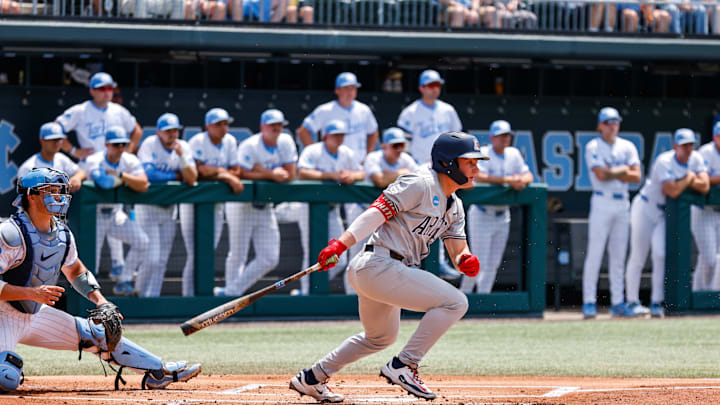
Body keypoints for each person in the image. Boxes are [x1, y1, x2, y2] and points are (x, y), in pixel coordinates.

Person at [289, 132, 483, 402]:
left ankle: (312, 377)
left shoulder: (456, 206)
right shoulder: (420, 182)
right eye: (469, 162)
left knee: (379, 337)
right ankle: (405, 365)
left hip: (383, 271)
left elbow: (457, 249)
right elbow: (376, 213)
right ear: (449, 163)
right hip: (378, 264)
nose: (476, 168)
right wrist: (341, 245)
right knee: (455, 303)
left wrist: (465, 260)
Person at [0, 167, 201, 393]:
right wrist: (31, 294)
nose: (58, 196)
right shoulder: (10, 233)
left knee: (97, 334)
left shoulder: (62, 234)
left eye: (59, 190)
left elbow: (75, 269)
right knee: (5, 377)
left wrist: (100, 301)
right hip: (3, 316)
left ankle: (158, 371)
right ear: (31, 196)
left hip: (35, 315)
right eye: (51, 190)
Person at [55, 72, 143, 286]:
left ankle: (118, 268)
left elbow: (136, 131)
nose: (107, 93)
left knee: (124, 222)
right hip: (93, 170)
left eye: (109, 88)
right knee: (89, 249)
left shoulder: (119, 111)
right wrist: (74, 150)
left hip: (114, 173)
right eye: (102, 89)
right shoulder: (82, 110)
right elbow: (57, 128)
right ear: (92, 90)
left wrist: (127, 153)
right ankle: (87, 291)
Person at [625, 129, 709, 318]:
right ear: (675, 146)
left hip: (664, 215)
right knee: (638, 256)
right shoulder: (664, 160)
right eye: (684, 145)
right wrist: (689, 178)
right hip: (646, 208)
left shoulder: (695, 158)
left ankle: (656, 301)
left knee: (661, 254)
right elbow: (671, 191)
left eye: (690, 145)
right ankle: (631, 301)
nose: (688, 149)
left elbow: (704, 186)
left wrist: (686, 180)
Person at [217, 109, 297, 297]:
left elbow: (291, 174)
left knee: (270, 258)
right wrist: (271, 174)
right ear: (262, 127)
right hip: (241, 206)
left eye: (279, 125)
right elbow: (242, 173)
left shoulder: (285, 141)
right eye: (272, 125)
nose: (276, 128)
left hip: (265, 205)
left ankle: (231, 293)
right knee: (238, 254)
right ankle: (230, 298)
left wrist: (259, 170)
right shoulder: (250, 145)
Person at [397, 69, 462, 280]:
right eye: (430, 85)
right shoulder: (410, 112)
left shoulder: (448, 110)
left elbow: (459, 140)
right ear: (421, 88)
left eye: (437, 85)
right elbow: (402, 144)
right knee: (415, 216)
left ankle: (441, 260)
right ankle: (410, 258)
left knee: (442, 214)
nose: (435, 89)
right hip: (419, 170)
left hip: (443, 170)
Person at [580, 108, 641, 319]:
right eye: (607, 122)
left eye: (615, 122)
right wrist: (623, 170)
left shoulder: (627, 146)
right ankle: (589, 302)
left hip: (622, 203)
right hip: (601, 201)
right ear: (600, 125)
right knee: (595, 254)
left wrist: (615, 171)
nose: (612, 126)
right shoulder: (593, 146)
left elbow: (637, 177)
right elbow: (601, 174)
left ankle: (618, 302)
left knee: (618, 256)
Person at [461, 120, 533, 294]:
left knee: (493, 264)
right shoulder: (484, 152)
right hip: (482, 213)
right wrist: (509, 180)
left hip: (503, 215)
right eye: (500, 136)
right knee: (477, 262)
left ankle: (482, 299)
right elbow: (479, 175)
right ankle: (463, 298)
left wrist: (521, 181)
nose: (504, 139)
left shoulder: (513, 154)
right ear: (492, 137)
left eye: (507, 135)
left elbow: (528, 175)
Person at [181, 108, 244, 296]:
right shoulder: (198, 141)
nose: (224, 128)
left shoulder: (230, 141)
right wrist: (225, 174)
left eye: (226, 124)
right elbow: (199, 171)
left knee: (208, 251)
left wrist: (219, 173)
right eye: (219, 124)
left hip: (215, 205)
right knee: (194, 253)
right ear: (208, 126)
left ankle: (199, 296)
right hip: (192, 204)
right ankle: (188, 296)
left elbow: (237, 170)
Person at [298, 120, 365, 294]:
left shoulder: (346, 153)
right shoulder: (313, 150)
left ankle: (312, 287)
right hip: (309, 208)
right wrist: (330, 175)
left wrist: (352, 176)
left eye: (341, 135)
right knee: (310, 251)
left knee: (339, 259)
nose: (339, 138)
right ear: (326, 136)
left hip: (332, 209)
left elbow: (361, 173)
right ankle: (306, 293)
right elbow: (302, 172)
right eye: (335, 135)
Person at [134, 113, 197, 297]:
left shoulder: (182, 147)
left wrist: (182, 158)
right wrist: (177, 176)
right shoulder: (150, 144)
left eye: (175, 130)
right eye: (168, 131)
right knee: (152, 258)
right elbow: (149, 174)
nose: (172, 135)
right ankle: (139, 292)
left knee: (161, 260)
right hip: (148, 208)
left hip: (169, 210)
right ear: (159, 132)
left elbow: (192, 178)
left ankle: (152, 297)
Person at [85, 126, 150, 296]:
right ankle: (88, 300)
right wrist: (126, 181)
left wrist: (121, 175)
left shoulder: (128, 160)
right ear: (107, 144)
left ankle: (124, 280)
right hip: (94, 216)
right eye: (116, 144)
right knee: (92, 265)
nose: (120, 148)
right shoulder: (95, 159)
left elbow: (143, 184)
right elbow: (104, 184)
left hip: (115, 215)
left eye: (123, 144)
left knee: (142, 241)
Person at [297, 72, 379, 168]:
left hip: (359, 164)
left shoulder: (364, 110)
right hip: (332, 166)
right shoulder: (325, 110)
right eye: (346, 88)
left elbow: (373, 132)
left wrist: (368, 157)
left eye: (353, 88)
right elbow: (303, 131)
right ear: (337, 90)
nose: (350, 92)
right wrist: (316, 155)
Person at [691, 122, 720, 291]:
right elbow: (704, 180)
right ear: (715, 137)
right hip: (702, 213)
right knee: (709, 258)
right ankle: (705, 295)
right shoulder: (705, 152)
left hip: (718, 212)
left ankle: (702, 292)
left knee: (712, 258)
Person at [17, 123, 86, 193]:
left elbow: (81, 172)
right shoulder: (28, 168)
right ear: (42, 141)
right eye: (53, 139)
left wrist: (77, 178)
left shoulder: (61, 158)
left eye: (59, 139)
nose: (56, 143)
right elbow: (24, 198)